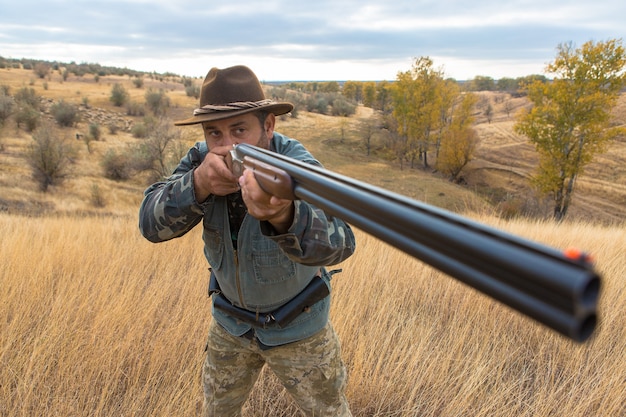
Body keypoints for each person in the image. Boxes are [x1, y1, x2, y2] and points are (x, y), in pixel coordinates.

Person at [138, 65, 356, 417]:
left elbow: (342, 241)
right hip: (230, 325)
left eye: (239, 130)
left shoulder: (295, 164)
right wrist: (197, 185)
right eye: (215, 133)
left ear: (268, 125)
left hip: (299, 326)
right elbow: (149, 223)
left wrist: (284, 216)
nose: (226, 147)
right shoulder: (200, 161)